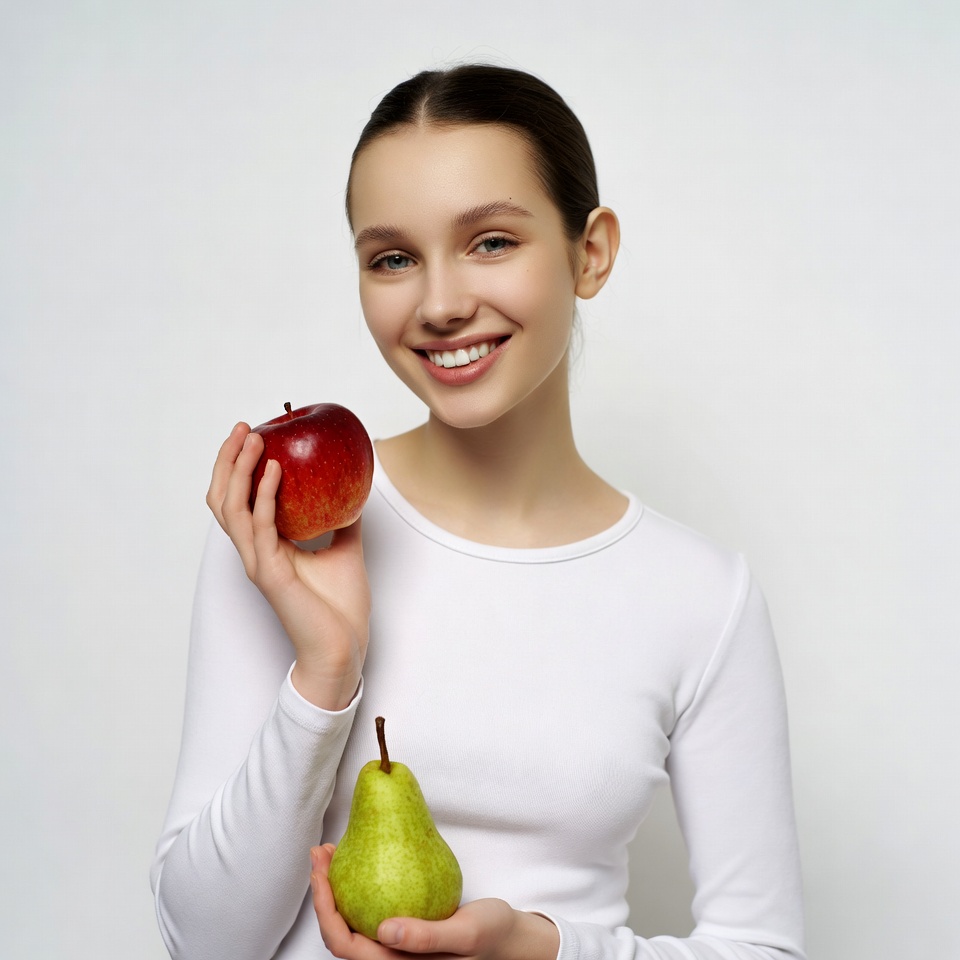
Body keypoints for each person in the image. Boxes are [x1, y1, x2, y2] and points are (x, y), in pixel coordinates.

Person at [150, 64, 806, 960]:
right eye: (393, 258)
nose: (442, 303)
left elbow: (762, 949)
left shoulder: (704, 597)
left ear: (591, 251)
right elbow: (203, 945)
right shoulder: (286, 541)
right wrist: (326, 671)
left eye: (491, 241)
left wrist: (538, 949)